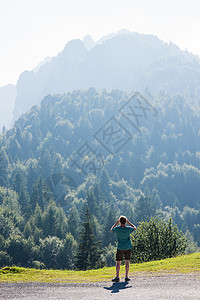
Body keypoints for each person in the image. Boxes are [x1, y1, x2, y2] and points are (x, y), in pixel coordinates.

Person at [111, 215, 136, 282]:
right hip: (128, 247)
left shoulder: (117, 229)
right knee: (127, 262)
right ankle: (126, 276)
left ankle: (117, 277)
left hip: (120, 247)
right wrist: (129, 222)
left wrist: (116, 223)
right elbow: (134, 228)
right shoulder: (128, 229)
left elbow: (111, 230)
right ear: (125, 222)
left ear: (120, 222)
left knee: (118, 262)